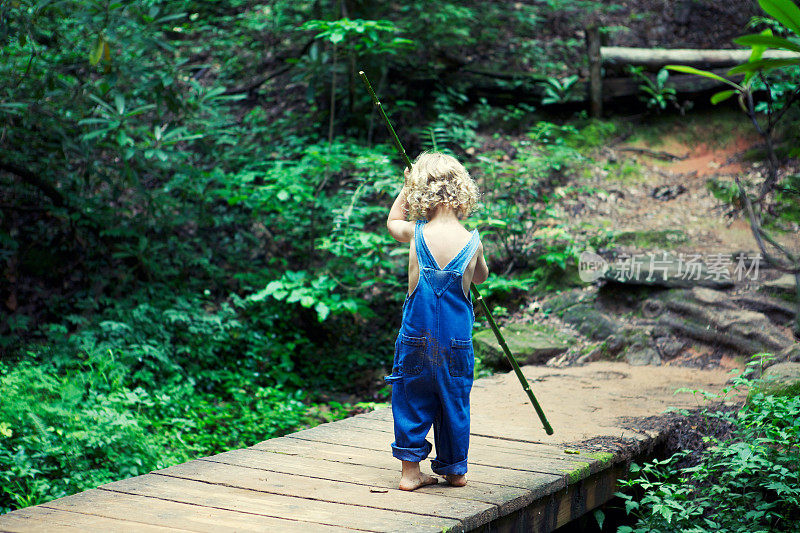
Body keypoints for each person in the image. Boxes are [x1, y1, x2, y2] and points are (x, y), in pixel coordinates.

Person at [384, 151, 489, 491]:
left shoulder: (416, 234)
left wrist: (405, 186)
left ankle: (410, 473)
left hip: (416, 338)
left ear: (420, 192)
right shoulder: (473, 242)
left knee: (412, 398)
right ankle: (455, 470)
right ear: (462, 192)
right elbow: (481, 279)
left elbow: (391, 222)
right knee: (454, 401)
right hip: (456, 345)